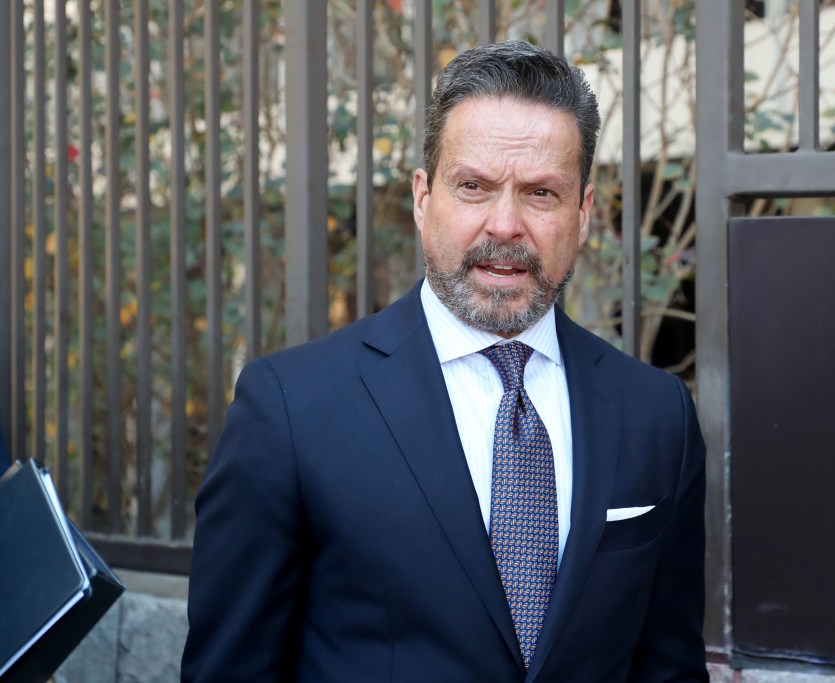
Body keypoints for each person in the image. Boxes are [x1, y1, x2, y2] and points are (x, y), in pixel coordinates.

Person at [182, 39, 708, 683]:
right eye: (473, 186)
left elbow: (670, 669)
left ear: (584, 213)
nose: (505, 224)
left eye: (541, 193)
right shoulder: (290, 409)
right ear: (423, 197)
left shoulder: (658, 416)